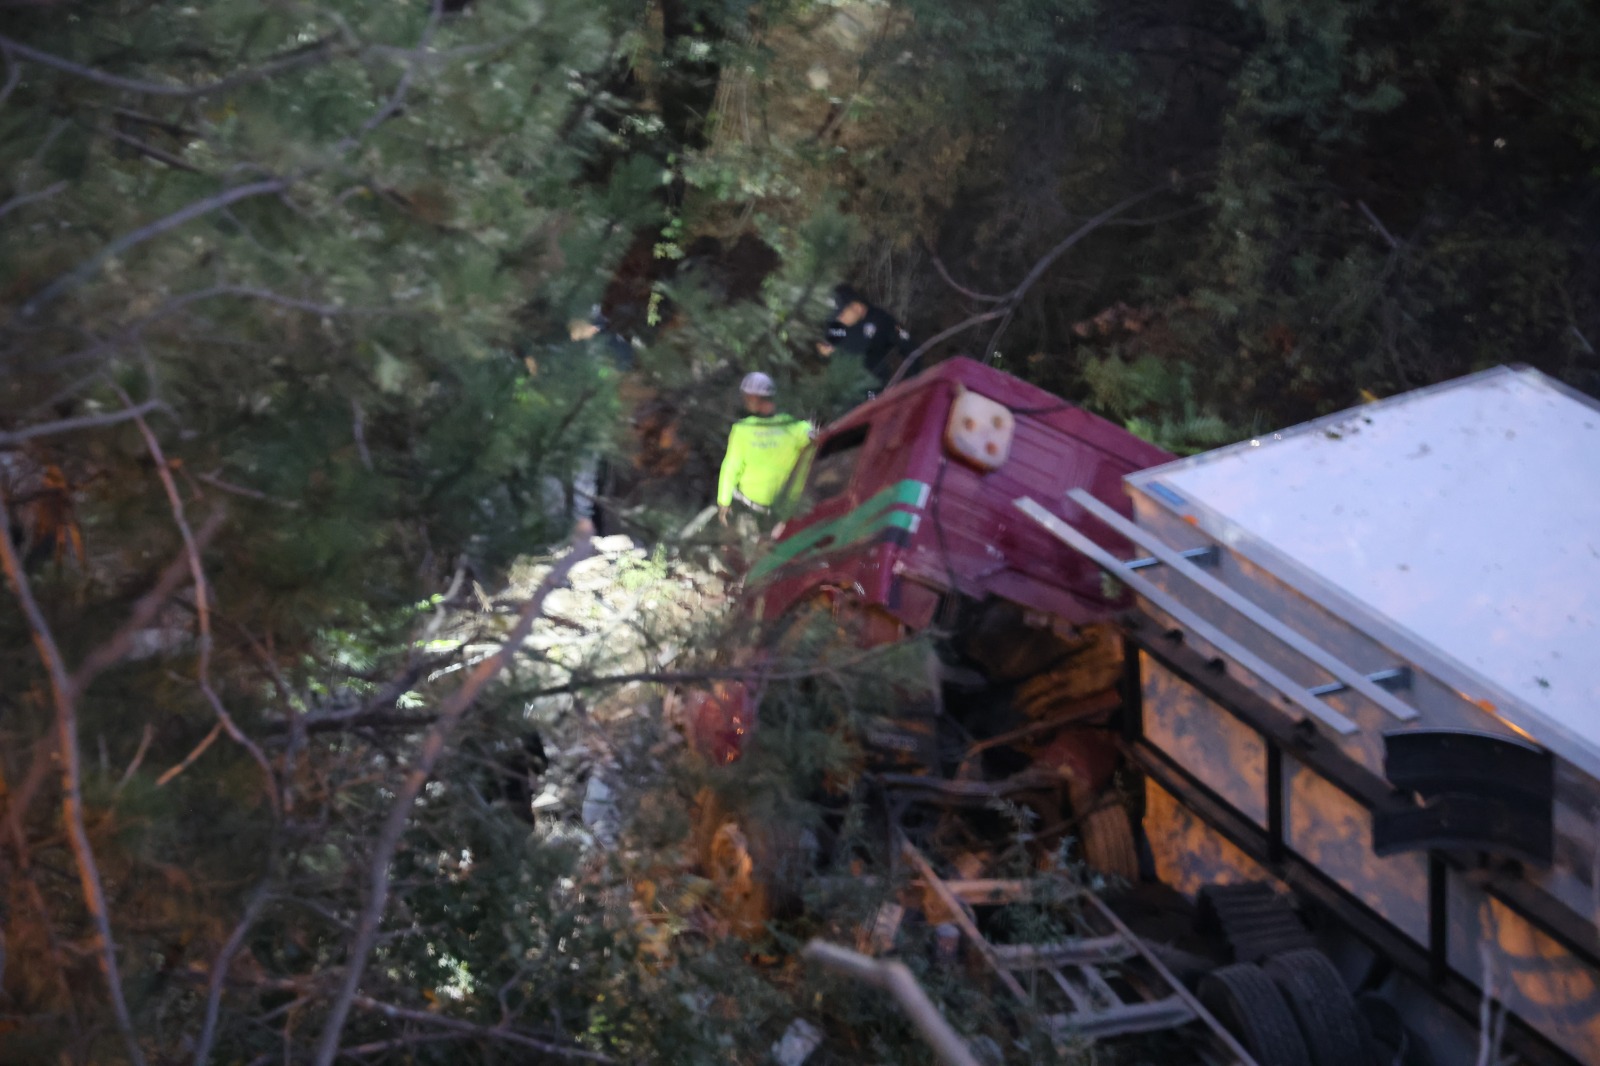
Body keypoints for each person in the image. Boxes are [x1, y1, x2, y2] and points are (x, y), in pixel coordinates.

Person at [717, 372, 813, 528]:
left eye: (746, 397)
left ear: (752, 397)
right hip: (787, 512)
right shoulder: (797, 428)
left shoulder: (741, 430)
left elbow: (731, 466)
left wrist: (723, 501)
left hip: (754, 511)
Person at [817, 283, 913, 391]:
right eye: (836, 315)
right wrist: (823, 352)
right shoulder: (837, 327)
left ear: (856, 306)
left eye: (841, 314)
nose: (839, 319)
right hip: (848, 390)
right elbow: (824, 348)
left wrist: (910, 382)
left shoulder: (881, 320)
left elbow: (909, 345)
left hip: (878, 386)